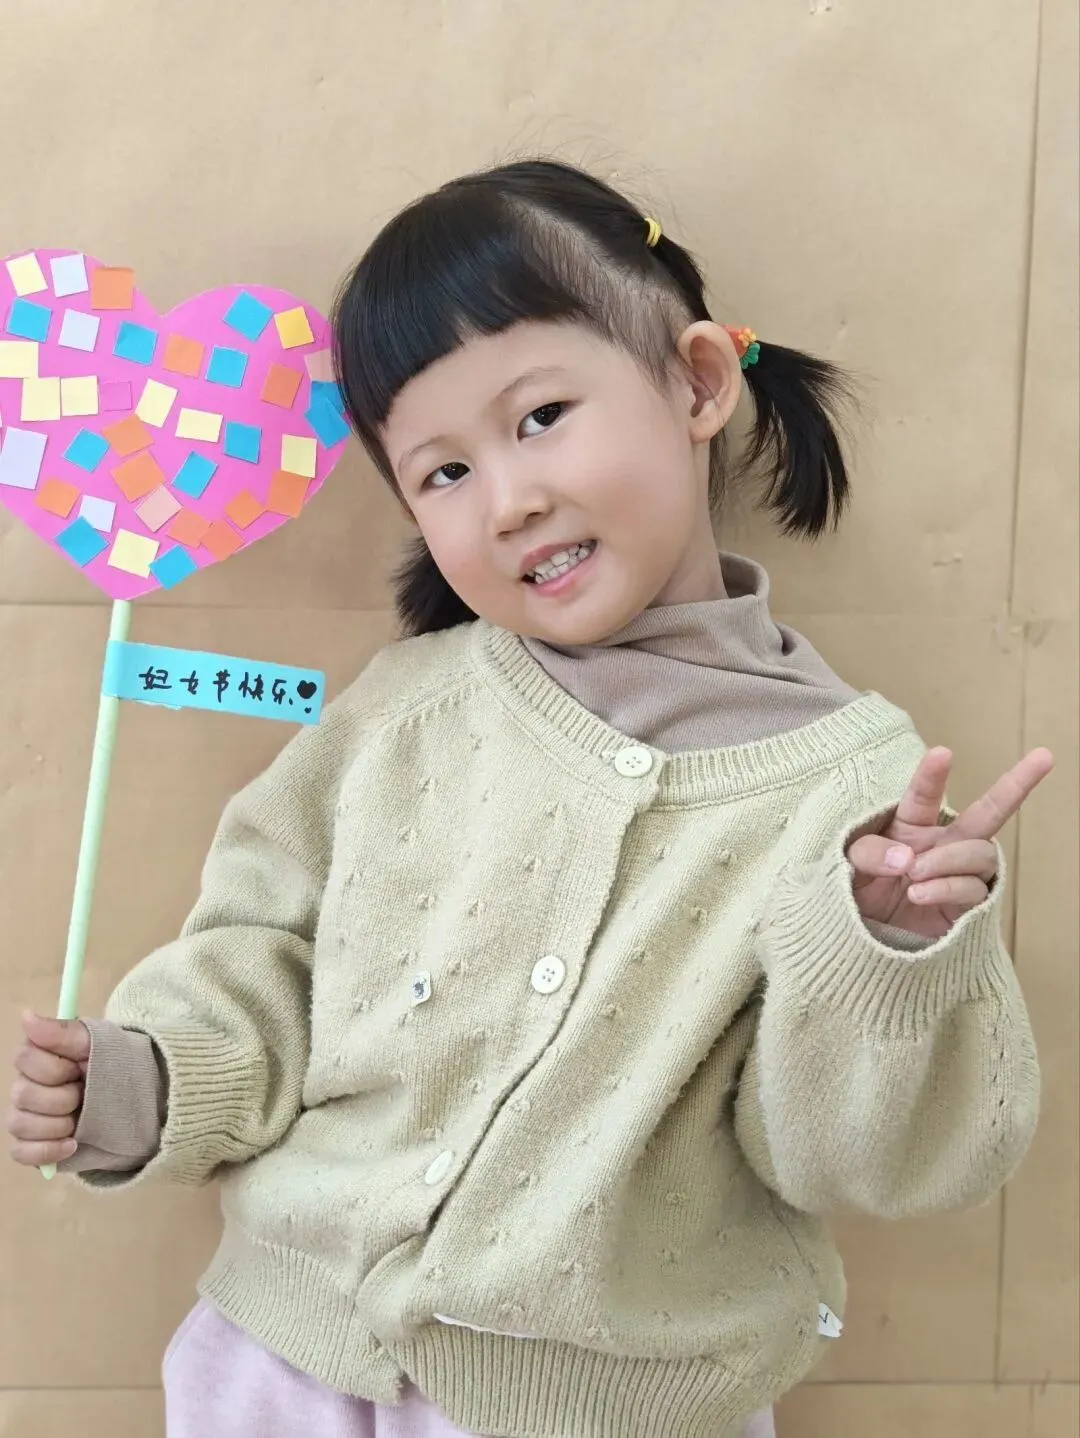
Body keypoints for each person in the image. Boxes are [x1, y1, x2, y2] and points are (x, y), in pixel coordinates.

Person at [7, 159, 1053, 1438]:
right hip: (280, 1362)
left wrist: (888, 955)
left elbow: (861, 1161)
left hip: (609, 1408)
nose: (509, 500)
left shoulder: (858, 797)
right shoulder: (403, 710)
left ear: (698, 382)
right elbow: (263, 958)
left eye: (543, 415)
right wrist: (138, 1082)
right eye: (441, 473)